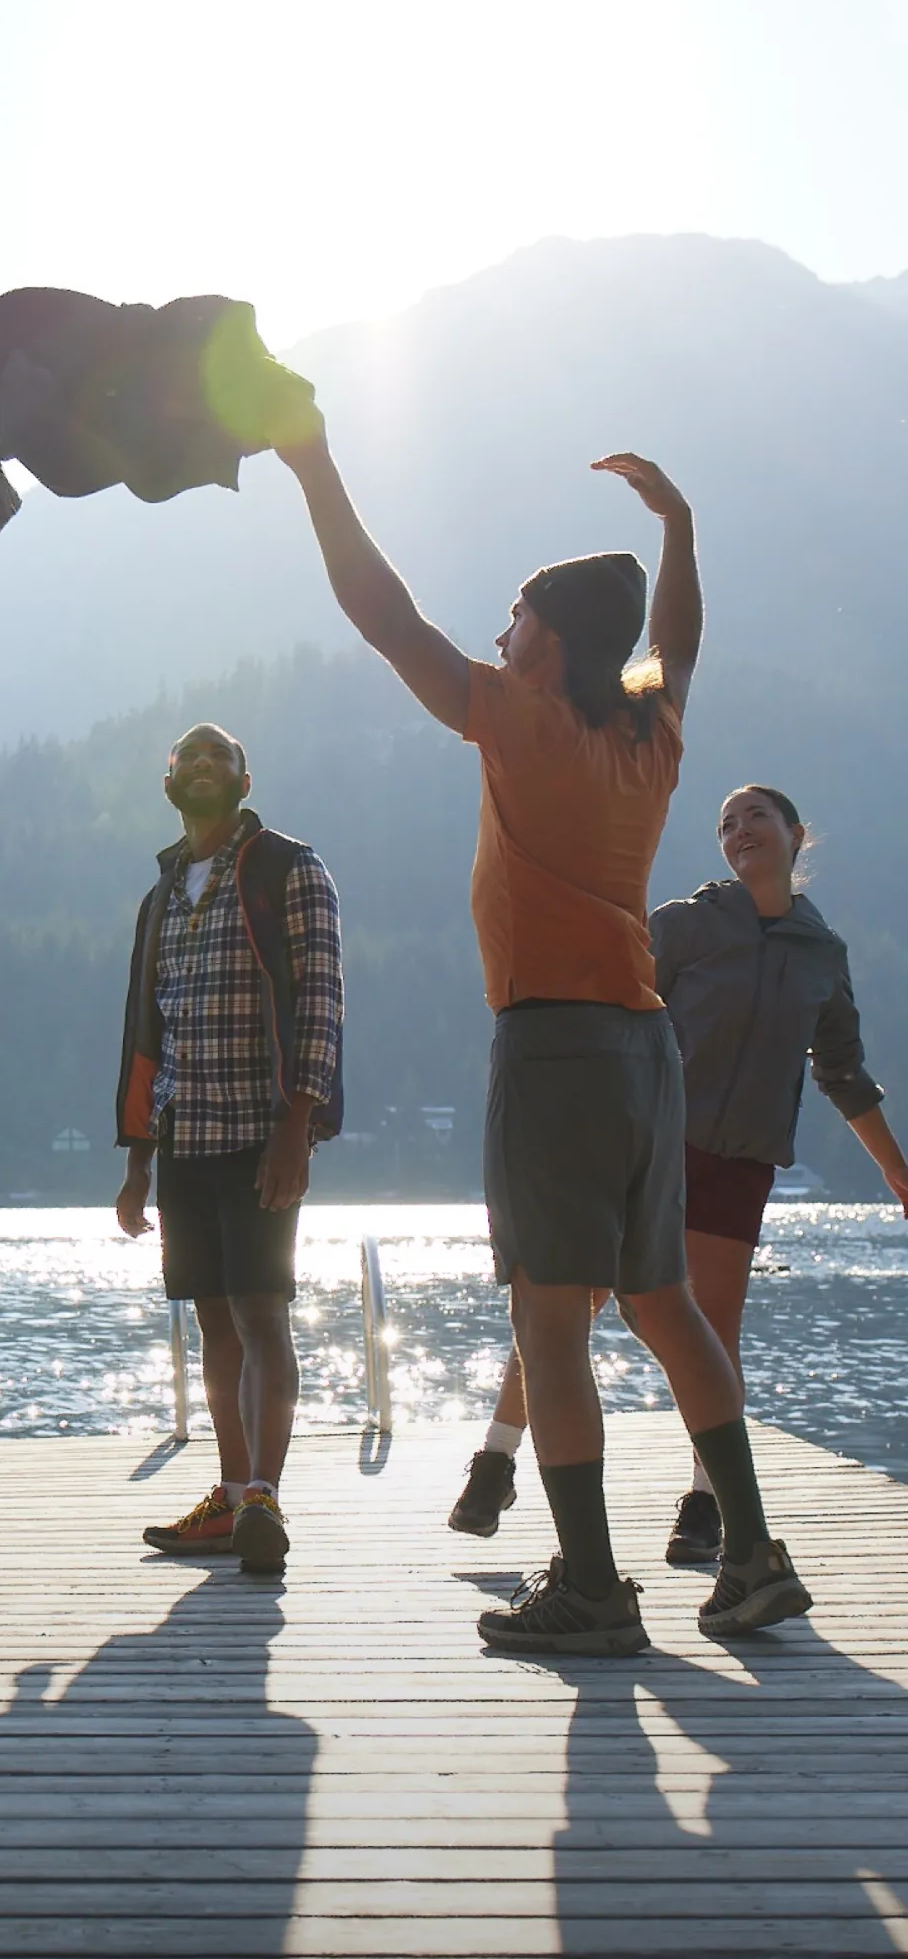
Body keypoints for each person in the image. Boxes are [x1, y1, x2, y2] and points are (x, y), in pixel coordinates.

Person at [277, 409, 812, 1653]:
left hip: (555, 1052)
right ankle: (753, 1554)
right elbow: (672, 642)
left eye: (513, 616)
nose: (496, 632)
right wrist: (678, 525)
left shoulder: (520, 719)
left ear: (547, 643)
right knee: (666, 1307)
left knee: (548, 1325)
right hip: (645, 1053)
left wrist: (314, 463)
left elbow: (381, 613)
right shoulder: (649, 740)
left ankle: (588, 1587)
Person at [450, 784, 908, 1563]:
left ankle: (704, 1503)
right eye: (727, 823)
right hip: (651, 1135)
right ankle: (497, 1458)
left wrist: (899, 1175)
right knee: (573, 1299)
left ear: (797, 835)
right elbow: (606, 992)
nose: (739, 831)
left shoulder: (820, 953)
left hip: (742, 1159)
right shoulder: (691, 923)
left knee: (713, 1327)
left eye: (755, 818)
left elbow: (843, 1073)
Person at [115, 723, 343, 1573]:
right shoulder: (164, 890)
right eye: (187, 757)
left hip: (260, 1132)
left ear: (246, 780)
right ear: (169, 783)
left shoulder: (289, 867)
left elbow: (320, 997)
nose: (203, 763)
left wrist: (300, 1125)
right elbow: (147, 1025)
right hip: (184, 1137)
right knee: (214, 1320)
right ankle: (232, 1490)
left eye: (220, 755)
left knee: (260, 1311)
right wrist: (138, 1159)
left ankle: (264, 1501)